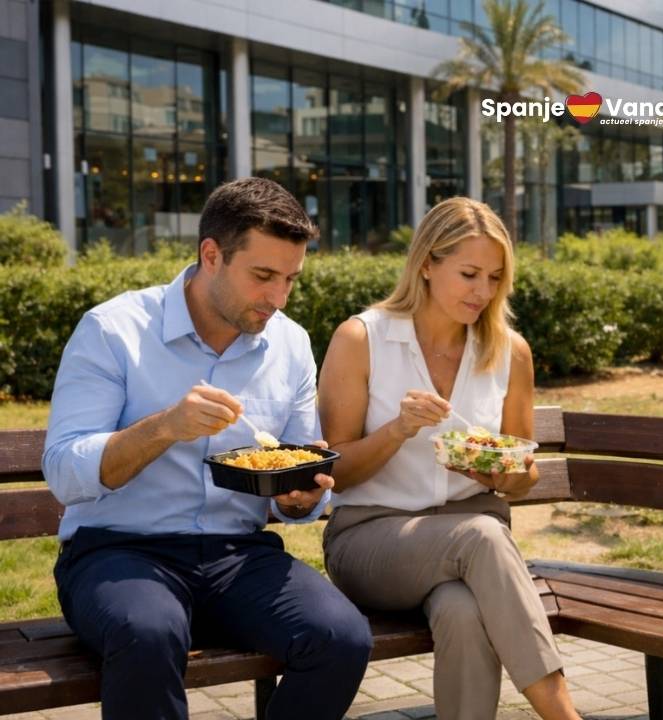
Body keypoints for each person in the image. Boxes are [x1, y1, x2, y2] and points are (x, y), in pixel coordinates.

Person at [41, 177, 373, 720]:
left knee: (341, 637)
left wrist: (299, 499)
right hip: (118, 552)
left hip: (238, 555)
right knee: (147, 634)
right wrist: (163, 427)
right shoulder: (113, 330)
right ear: (211, 255)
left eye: (291, 279)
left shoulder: (289, 344)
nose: (278, 298)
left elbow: (295, 474)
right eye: (263, 276)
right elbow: (63, 471)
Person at [318, 197, 582, 720]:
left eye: (494, 277)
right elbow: (337, 474)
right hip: (372, 540)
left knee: (462, 611)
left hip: (473, 546)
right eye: (468, 274)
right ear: (427, 264)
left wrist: (499, 473)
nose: (482, 291)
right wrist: (397, 430)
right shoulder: (362, 339)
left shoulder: (510, 352)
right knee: (482, 536)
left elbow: (522, 476)